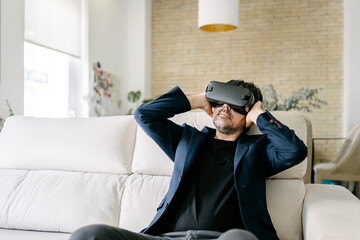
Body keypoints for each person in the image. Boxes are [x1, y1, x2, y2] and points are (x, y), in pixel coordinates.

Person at [70, 80, 307, 240]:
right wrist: (197, 99)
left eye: (236, 105)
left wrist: (260, 115)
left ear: (248, 115)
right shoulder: (186, 140)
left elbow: (295, 151)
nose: (225, 107)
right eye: (221, 101)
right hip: (166, 237)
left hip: (222, 239)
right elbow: (145, 115)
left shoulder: (258, 151)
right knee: (90, 234)